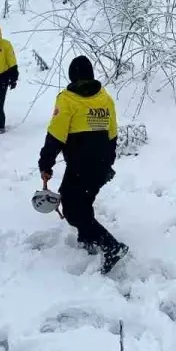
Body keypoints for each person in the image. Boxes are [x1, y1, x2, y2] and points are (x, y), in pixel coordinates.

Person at [38, 56, 129, 273]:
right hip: (101, 163)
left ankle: (111, 246)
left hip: (81, 164)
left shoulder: (67, 100)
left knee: (71, 208)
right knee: (84, 199)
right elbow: (113, 133)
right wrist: (108, 162)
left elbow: (55, 136)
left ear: (72, 76)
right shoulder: (105, 98)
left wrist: (46, 163)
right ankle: (87, 238)